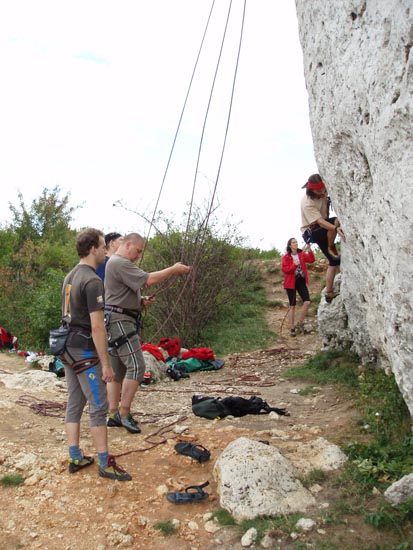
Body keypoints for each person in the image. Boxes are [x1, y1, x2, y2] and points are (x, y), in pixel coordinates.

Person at [60, 228, 131, 481]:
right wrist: (105, 364)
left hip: (66, 347)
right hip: (83, 350)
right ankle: (104, 461)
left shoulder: (70, 276)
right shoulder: (92, 281)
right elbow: (97, 326)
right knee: (99, 404)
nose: (104, 251)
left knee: (75, 401)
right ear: (92, 249)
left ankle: (75, 456)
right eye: (102, 247)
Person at [104, 232, 192, 434]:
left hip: (115, 320)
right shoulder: (120, 263)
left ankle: (112, 414)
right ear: (127, 245)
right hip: (120, 322)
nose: (138, 256)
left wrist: (139, 301)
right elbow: (149, 279)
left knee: (117, 371)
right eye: (138, 251)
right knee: (137, 366)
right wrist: (173, 269)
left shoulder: (116, 264)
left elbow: (120, 294)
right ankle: (124, 414)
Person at [300, 173, 346, 303]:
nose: (322, 192)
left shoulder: (323, 192)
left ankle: (329, 292)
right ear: (311, 189)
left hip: (323, 228)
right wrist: (335, 228)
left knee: (334, 261)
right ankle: (331, 245)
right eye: (319, 190)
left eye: (323, 189)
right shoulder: (307, 202)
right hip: (312, 231)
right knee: (336, 221)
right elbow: (320, 221)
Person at [282, 238, 315, 337]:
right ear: (290, 245)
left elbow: (312, 260)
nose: (295, 243)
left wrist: (310, 250)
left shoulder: (301, 254)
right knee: (292, 306)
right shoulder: (286, 257)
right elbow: (285, 269)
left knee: (307, 302)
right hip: (291, 283)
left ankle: (299, 322)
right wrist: (294, 265)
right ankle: (292, 328)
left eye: (296, 242)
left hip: (300, 281)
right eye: (293, 242)